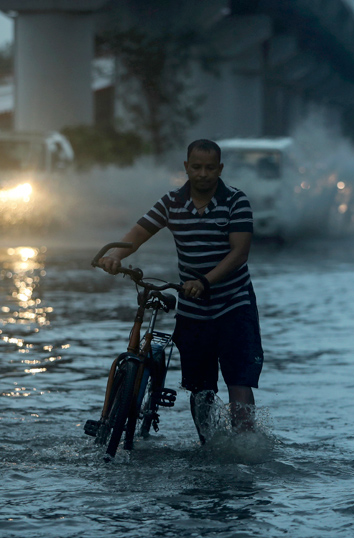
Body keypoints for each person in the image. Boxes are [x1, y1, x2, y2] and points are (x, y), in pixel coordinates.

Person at [96, 139, 264, 444]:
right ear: (186, 167)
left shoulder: (236, 201)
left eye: (209, 168)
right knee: (200, 387)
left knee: (238, 380)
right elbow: (138, 233)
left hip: (233, 304)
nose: (202, 174)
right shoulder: (172, 202)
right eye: (196, 167)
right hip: (193, 308)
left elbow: (239, 252)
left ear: (220, 169)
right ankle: (209, 445)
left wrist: (204, 282)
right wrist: (117, 255)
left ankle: (245, 445)